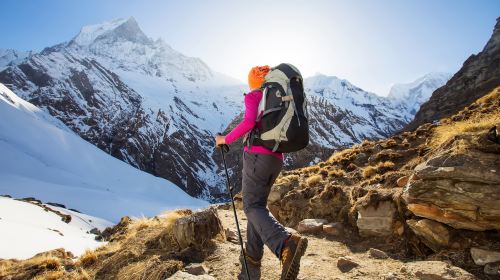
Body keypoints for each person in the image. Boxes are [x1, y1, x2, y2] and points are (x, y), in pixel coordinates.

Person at [215, 66, 308, 280]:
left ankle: (285, 243)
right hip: (275, 159)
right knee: (257, 206)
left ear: (252, 82)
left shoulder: (255, 96)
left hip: (257, 157)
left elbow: (248, 123)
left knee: (251, 206)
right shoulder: (276, 98)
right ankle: (251, 265)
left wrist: (224, 140)